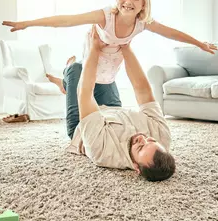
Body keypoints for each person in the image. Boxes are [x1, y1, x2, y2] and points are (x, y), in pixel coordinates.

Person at [2, 0, 217, 87]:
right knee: (77, 85)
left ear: (144, 3)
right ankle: (68, 71)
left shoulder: (143, 23)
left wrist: (199, 43)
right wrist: (27, 23)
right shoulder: (105, 17)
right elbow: (66, 20)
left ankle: (63, 80)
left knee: (93, 90)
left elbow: (171, 32)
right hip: (91, 61)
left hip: (109, 72)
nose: (128, 1)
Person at [66, 25, 175, 182]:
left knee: (77, 69)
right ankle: (67, 83)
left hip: (81, 125)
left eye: (140, 147)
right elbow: (143, 90)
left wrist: (94, 49)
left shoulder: (102, 152)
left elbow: (85, 94)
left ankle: (67, 73)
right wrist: (126, 47)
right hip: (116, 112)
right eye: (151, 140)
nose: (142, 138)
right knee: (106, 70)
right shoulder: (163, 136)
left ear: (136, 167)